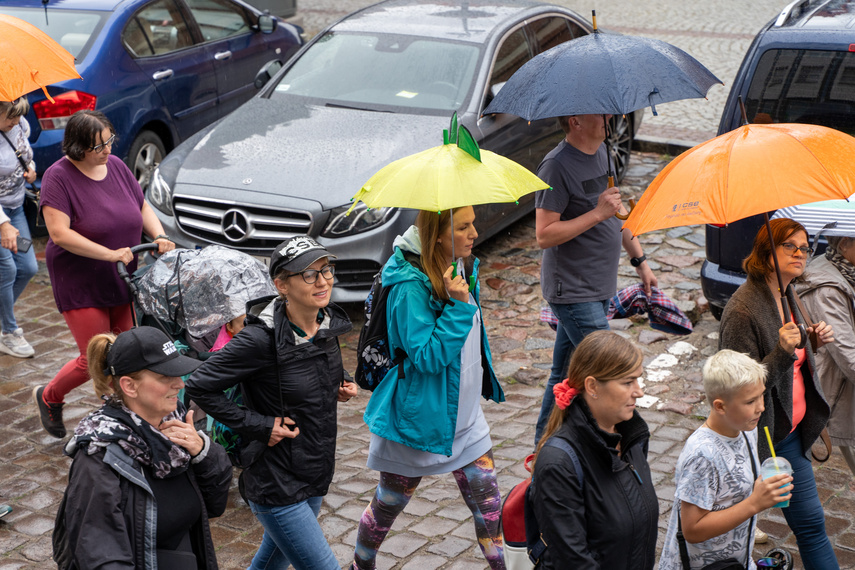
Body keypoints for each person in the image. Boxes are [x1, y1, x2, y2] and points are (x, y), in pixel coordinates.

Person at [185, 235, 358, 570]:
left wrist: (339, 382)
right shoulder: (258, 340)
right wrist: (261, 426)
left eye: (326, 270)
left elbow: (309, 369)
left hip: (315, 469)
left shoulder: (327, 324)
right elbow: (200, 386)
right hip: (275, 480)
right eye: (309, 274)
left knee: (271, 565)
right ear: (282, 285)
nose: (322, 281)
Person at [352, 206, 506, 570]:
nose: (475, 233)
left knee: (491, 512)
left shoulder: (461, 265)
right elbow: (427, 358)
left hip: (465, 418)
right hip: (418, 422)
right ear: (437, 234)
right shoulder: (408, 286)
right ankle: (360, 566)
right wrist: (456, 306)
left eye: (473, 224)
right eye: (464, 227)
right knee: (387, 506)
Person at [32, 110, 175, 439]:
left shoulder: (118, 167)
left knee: (127, 350)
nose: (107, 150)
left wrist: (157, 236)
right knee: (94, 357)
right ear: (78, 147)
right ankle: (50, 396)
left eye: (109, 141)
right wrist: (109, 254)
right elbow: (59, 234)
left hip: (120, 274)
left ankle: (128, 415)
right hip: (80, 279)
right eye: (98, 146)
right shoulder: (59, 177)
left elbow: (140, 206)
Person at [58, 326, 232, 569]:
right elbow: (101, 555)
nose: (180, 385)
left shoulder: (176, 425)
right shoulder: (100, 458)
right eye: (165, 377)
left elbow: (214, 505)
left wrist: (204, 451)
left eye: (179, 374)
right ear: (129, 386)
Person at [719, 217, 837, 569]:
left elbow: (792, 357)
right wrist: (784, 352)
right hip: (763, 440)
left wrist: (811, 340)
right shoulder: (742, 311)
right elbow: (739, 388)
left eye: (806, 247)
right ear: (766, 252)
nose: (801, 253)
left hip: (790, 431)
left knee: (812, 526)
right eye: (791, 246)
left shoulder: (789, 293)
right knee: (734, 532)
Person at [533, 113, 657, 444]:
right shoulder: (555, 166)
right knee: (614, 367)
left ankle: (543, 449)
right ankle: (629, 443)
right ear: (576, 121)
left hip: (600, 287)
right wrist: (597, 213)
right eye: (600, 114)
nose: (610, 118)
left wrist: (640, 259)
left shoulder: (603, 151)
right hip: (572, 291)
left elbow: (615, 213)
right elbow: (544, 235)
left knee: (563, 374)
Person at [529, 330, 658, 569]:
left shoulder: (632, 438)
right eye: (628, 382)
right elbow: (574, 561)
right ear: (592, 386)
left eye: (638, 379)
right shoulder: (558, 464)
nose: (639, 391)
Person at [658, 349, 793, 570]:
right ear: (720, 406)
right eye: (750, 401)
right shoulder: (702, 455)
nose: (761, 407)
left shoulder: (746, 428)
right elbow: (692, 530)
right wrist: (754, 503)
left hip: (735, 562)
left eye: (761, 395)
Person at [799, 234, 855, 475]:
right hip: (836, 387)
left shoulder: (844, 268)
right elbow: (848, 354)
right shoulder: (827, 290)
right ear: (844, 245)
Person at [0, 97, 38, 358]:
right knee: (7, 268)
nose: (16, 121)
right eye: (10, 117)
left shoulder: (19, 124)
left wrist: (32, 169)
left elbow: (27, 154)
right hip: (1, 217)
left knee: (28, 267)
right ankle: (9, 332)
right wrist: (3, 225)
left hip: (16, 207)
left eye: (18, 116)